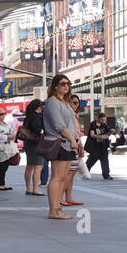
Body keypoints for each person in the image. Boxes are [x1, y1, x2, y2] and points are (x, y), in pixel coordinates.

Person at [43, 75, 85, 220]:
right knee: (57, 176)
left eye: (68, 84)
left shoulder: (65, 102)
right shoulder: (52, 102)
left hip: (68, 143)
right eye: (62, 84)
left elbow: (72, 123)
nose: (66, 86)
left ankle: (58, 208)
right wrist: (72, 138)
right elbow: (58, 125)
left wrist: (77, 140)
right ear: (55, 86)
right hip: (60, 142)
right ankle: (53, 210)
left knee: (63, 178)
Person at [19, 99, 47, 197]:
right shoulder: (36, 116)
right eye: (42, 106)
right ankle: (36, 189)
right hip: (36, 144)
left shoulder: (29, 116)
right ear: (38, 107)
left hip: (28, 143)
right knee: (38, 166)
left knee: (30, 166)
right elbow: (38, 130)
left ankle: (29, 188)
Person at [86, 111, 114, 180]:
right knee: (90, 161)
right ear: (98, 119)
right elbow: (92, 135)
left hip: (103, 146)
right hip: (95, 147)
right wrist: (101, 137)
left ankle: (106, 175)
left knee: (105, 161)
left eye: (104, 120)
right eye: (102, 120)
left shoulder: (104, 125)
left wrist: (110, 132)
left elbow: (108, 133)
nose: (103, 121)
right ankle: (85, 172)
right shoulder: (93, 124)